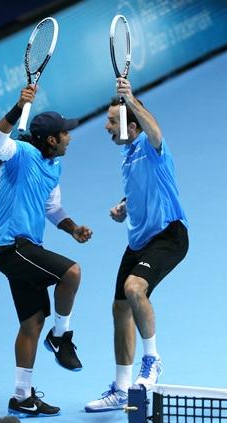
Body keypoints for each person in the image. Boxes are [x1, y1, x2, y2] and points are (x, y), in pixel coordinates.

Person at [85, 77, 188, 412]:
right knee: (119, 309)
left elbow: (154, 130)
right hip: (139, 241)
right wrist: (124, 206)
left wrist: (132, 101)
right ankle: (122, 388)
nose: (106, 127)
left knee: (134, 288)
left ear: (132, 123)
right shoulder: (129, 155)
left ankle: (152, 359)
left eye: (113, 121)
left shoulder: (151, 145)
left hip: (169, 235)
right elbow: (141, 188)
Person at [0, 84, 92, 417]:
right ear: (51, 140)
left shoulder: (54, 166)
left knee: (32, 322)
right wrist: (19, 106)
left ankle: (21, 395)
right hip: (10, 247)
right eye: (65, 134)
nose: (70, 138)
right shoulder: (20, 153)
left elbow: (52, 208)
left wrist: (73, 228)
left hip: (28, 247)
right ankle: (61, 337)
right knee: (71, 272)